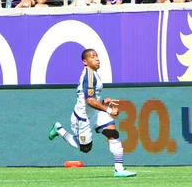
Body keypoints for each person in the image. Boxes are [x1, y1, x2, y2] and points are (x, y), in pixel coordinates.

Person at [48, 48, 136, 178]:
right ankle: (59, 129)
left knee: (113, 133)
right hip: (83, 119)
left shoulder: (94, 74)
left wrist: (104, 101)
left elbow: (93, 98)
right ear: (85, 61)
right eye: (93, 57)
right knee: (85, 149)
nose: (97, 59)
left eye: (97, 56)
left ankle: (119, 169)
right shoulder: (89, 76)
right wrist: (109, 110)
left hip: (96, 114)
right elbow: (89, 101)